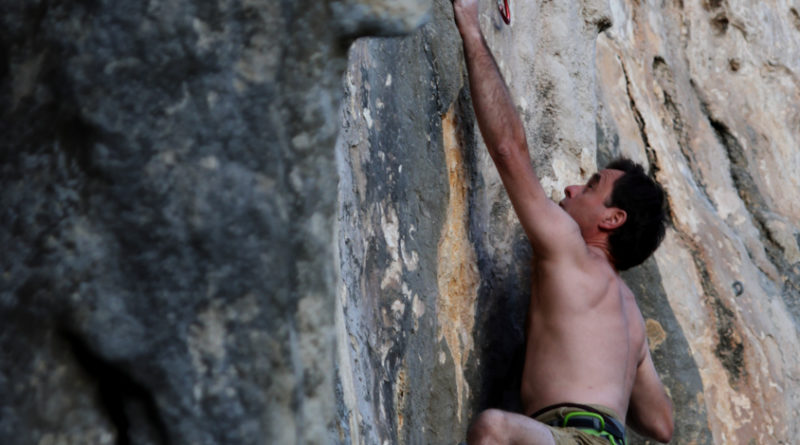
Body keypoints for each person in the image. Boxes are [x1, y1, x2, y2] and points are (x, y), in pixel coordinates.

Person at [450, 1, 675, 444]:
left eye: (591, 186)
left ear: (612, 219)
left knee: (493, 430)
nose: (572, 190)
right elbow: (661, 425)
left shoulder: (571, 252)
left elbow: (510, 151)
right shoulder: (630, 317)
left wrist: (471, 30)